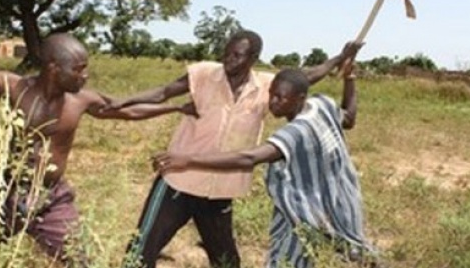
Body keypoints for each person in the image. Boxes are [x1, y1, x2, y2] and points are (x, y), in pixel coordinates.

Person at [0, 0, 191, 267]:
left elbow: (126, 110)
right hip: (6, 193)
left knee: (79, 262)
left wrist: (175, 108)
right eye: (78, 70)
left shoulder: (81, 100)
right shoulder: (16, 88)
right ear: (53, 68)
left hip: (52, 199)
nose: (85, 76)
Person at [110, 28, 363, 267]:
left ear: (253, 58)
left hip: (220, 188)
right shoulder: (204, 73)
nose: (228, 60)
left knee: (226, 261)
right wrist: (123, 101)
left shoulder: (267, 87)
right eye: (226, 53)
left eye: (237, 55)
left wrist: (341, 58)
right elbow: (163, 92)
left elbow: (305, 77)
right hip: (178, 180)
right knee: (141, 252)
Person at [153, 58, 378, 268]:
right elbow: (348, 117)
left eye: (282, 98)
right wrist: (350, 80)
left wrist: (187, 158)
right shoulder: (322, 105)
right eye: (272, 94)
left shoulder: (296, 132)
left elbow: (248, 157)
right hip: (342, 199)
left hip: (308, 211)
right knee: (346, 249)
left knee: (292, 259)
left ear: (300, 98)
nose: (273, 103)